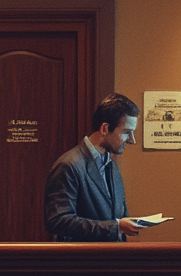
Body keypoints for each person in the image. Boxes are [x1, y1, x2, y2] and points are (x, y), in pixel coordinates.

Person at [44, 92, 146, 242]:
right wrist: (116, 227)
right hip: (84, 262)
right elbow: (58, 221)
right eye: (126, 133)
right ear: (104, 128)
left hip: (110, 261)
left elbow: (117, 214)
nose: (132, 140)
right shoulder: (69, 165)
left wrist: (127, 224)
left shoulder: (111, 163)